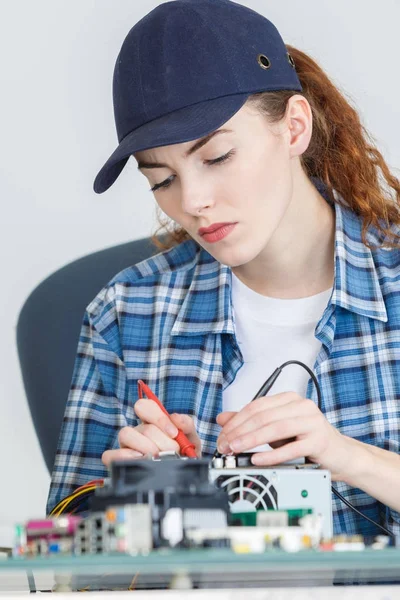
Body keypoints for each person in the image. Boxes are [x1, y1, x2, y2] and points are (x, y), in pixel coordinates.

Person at [46, 0, 400, 536]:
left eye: (216, 158)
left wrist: (344, 456)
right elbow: (63, 555)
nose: (193, 201)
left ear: (294, 128)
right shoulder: (126, 313)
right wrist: (125, 507)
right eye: (161, 179)